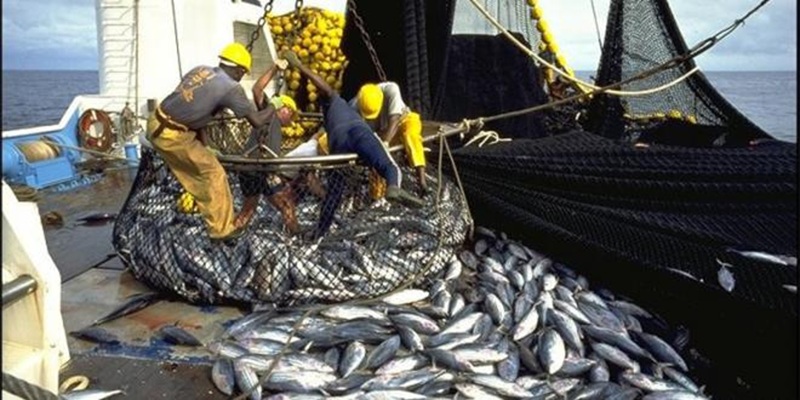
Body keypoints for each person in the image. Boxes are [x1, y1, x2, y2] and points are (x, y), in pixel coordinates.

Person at [280, 49, 425, 239]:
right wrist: (299, 65)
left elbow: (317, 85)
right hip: (360, 134)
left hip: (338, 143)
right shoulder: (340, 101)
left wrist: (298, 66)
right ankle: (393, 186)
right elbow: (321, 84)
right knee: (388, 166)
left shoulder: (335, 105)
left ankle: (321, 229)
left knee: (335, 189)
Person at [146, 42, 280, 242]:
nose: (242, 77)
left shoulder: (201, 70)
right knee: (213, 174)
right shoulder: (232, 88)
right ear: (240, 70)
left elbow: (196, 113)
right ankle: (221, 230)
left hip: (157, 121)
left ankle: (214, 218)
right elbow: (257, 121)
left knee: (201, 171)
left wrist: (206, 146)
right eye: (243, 73)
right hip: (172, 136)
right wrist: (275, 105)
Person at [350, 82, 428, 198]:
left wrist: (385, 143)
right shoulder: (353, 106)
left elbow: (395, 121)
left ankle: (422, 182)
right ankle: (379, 196)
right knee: (376, 158)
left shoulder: (391, 89)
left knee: (411, 136)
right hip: (379, 132)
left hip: (403, 120)